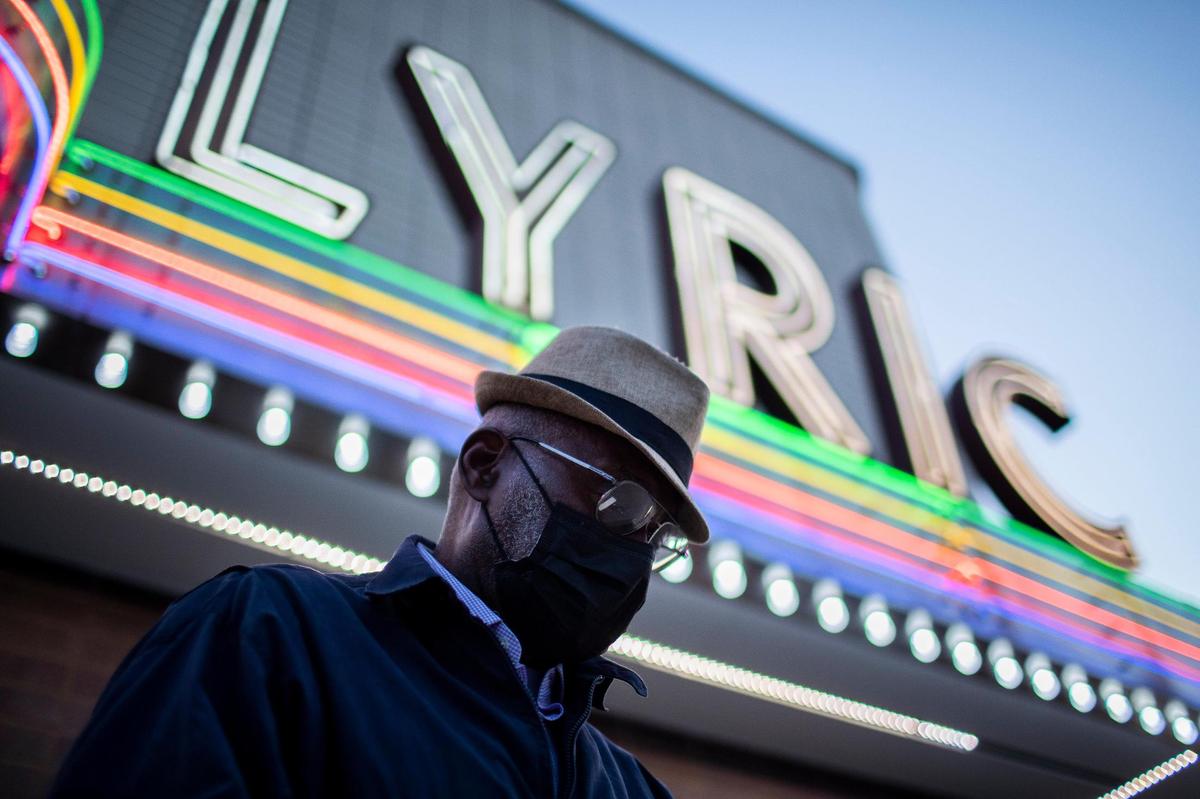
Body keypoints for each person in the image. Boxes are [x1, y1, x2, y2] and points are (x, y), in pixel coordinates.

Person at [51, 325, 711, 798]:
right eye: (620, 502)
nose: (633, 548)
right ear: (485, 466)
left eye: (657, 533)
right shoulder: (270, 635)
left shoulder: (631, 788)